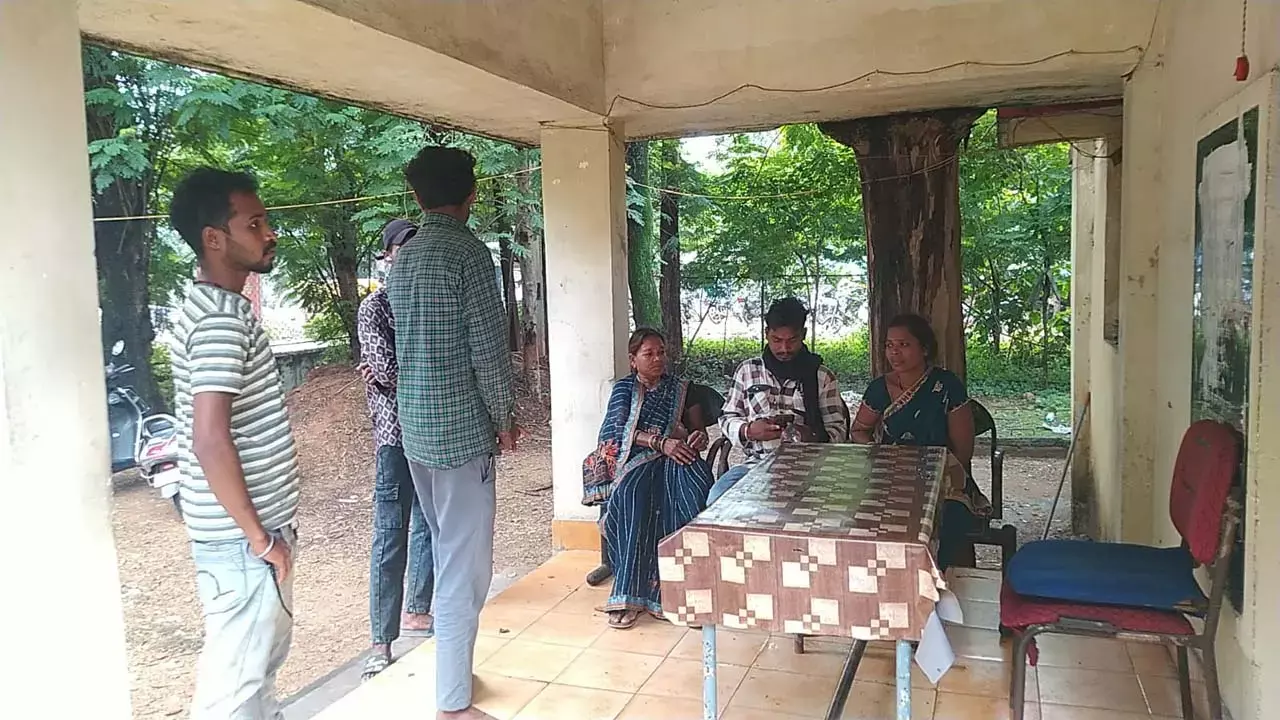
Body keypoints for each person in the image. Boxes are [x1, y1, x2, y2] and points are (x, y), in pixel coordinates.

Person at [387, 146, 518, 720]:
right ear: (471, 194)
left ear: (418, 196)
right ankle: (453, 705)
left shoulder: (405, 258)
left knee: (447, 551)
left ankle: (454, 674)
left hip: (416, 431)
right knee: (466, 567)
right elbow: (488, 350)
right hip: (462, 434)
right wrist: (504, 417)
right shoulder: (469, 254)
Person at [168, 167, 300, 719]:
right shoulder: (220, 320)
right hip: (242, 542)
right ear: (214, 238)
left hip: (246, 537)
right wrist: (260, 539)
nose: (269, 233)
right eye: (254, 224)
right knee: (235, 691)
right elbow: (209, 438)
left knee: (255, 674)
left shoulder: (218, 309)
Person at [582, 329, 716, 630]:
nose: (657, 359)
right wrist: (660, 443)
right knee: (632, 496)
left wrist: (696, 438)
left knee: (693, 491)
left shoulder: (682, 389)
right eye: (649, 354)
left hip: (677, 457)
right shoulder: (624, 390)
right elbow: (615, 433)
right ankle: (628, 595)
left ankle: (684, 593)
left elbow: (700, 433)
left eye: (661, 352)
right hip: (638, 459)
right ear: (633, 360)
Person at [355, 219, 436, 681]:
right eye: (402, 250)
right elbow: (385, 370)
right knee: (390, 535)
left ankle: (418, 611)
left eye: (417, 249)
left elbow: (397, 369)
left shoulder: (428, 304)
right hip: (394, 438)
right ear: (387, 257)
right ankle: (380, 642)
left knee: (428, 523)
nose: (409, 257)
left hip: (431, 434)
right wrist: (423, 372)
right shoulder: (375, 307)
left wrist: (403, 372)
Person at [849, 313, 991, 571]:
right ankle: (889, 578)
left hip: (944, 482)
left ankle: (943, 581)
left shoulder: (946, 386)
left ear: (924, 349)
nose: (895, 352)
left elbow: (963, 452)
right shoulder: (879, 388)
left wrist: (928, 473)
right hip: (891, 481)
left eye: (904, 345)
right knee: (863, 517)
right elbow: (859, 430)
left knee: (947, 520)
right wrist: (880, 456)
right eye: (889, 345)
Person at [708, 297, 848, 505]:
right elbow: (727, 417)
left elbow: (839, 431)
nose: (784, 348)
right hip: (755, 466)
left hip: (810, 470)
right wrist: (748, 430)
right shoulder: (747, 371)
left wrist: (814, 436)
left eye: (792, 340)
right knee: (717, 501)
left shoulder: (822, 377)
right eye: (777, 340)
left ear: (803, 335)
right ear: (766, 334)